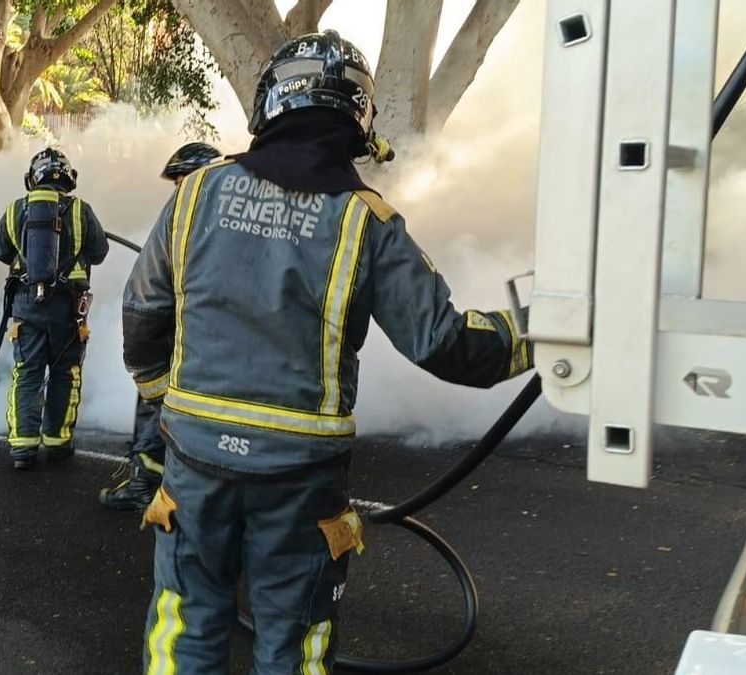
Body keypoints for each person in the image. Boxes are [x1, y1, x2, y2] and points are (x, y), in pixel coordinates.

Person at [124, 31, 532, 673]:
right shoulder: (366, 221)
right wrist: (540, 334)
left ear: (270, 107)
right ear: (356, 123)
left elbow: (144, 310)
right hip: (299, 476)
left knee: (185, 623)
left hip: (194, 460)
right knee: (294, 643)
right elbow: (447, 344)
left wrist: (159, 401)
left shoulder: (195, 194)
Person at [99, 142, 222, 511]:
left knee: (155, 404)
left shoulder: (192, 216)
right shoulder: (226, 220)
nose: (178, 189)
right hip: (208, 339)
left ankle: (143, 485)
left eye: (182, 180)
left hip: (179, 335)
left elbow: (148, 292)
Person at [0, 148, 109, 470]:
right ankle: (57, 442)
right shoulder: (81, 210)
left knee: (26, 374)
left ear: (32, 178)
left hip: (26, 309)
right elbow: (99, 253)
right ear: (68, 179)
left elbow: (0, 250)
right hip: (68, 311)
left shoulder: (15, 209)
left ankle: (23, 447)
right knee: (64, 373)